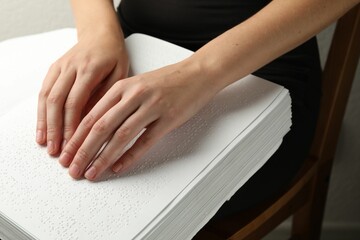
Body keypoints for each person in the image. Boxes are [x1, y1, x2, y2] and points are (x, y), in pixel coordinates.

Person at [36, 0, 359, 220]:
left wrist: (199, 74)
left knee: (101, 211)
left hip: (258, 68)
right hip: (127, 43)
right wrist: (97, 34)